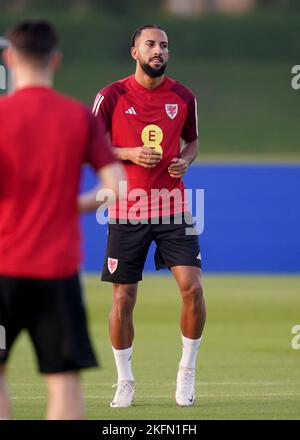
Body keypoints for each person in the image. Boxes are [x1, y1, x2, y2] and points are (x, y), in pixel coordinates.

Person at [0, 19, 124, 420]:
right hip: (56, 270)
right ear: (56, 59)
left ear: (9, 58)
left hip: (2, 266)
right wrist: (72, 204)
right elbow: (116, 187)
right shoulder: (76, 116)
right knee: (65, 381)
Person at [92, 24, 206, 408]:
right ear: (135, 52)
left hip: (173, 206)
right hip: (127, 208)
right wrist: (129, 153)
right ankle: (125, 380)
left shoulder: (183, 96)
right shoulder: (112, 95)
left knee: (192, 288)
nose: (159, 50)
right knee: (123, 299)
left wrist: (185, 161)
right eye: (151, 44)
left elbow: (193, 142)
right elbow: (93, 142)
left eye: (164, 46)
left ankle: (186, 372)